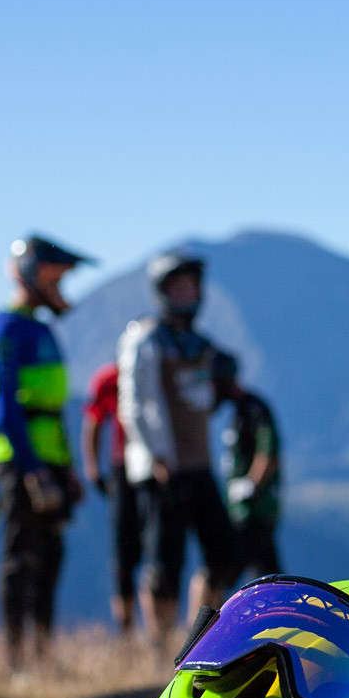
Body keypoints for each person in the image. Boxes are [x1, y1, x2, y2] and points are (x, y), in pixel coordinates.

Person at [118, 248, 241, 646]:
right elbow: (134, 402)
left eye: (192, 286)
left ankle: (197, 635)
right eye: (179, 287)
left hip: (199, 463)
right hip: (164, 467)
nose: (187, 294)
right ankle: (158, 643)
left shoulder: (198, 344)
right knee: (163, 561)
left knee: (223, 553)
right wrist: (155, 455)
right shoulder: (147, 337)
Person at [0, 235, 91, 667]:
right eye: (56, 276)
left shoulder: (44, 329)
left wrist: (65, 469)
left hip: (50, 460)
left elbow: (54, 409)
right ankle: (15, 661)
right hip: (18, 459)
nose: (62, 285)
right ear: (31, 273)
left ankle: (42, 656)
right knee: (19, 557)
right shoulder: (5, 328)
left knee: (50, 558)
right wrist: (32, 470)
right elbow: (7, 407)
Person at [80, 359, 141, 633]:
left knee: (156, 550)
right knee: (124, 553)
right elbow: (93, 421)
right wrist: (93, 469)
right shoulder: (109, 379)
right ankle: (125, 630)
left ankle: (153, 631)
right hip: (124, 468)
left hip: (153, 467)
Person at [217, 359, 283, 580]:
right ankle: (280, 609)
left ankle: (210, 615)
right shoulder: (234, 412)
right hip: (240, 509)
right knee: (268, 571)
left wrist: (251, 484)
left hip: (254, 510)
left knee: (223, 570)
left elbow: (268, 451)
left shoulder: (254, 409)